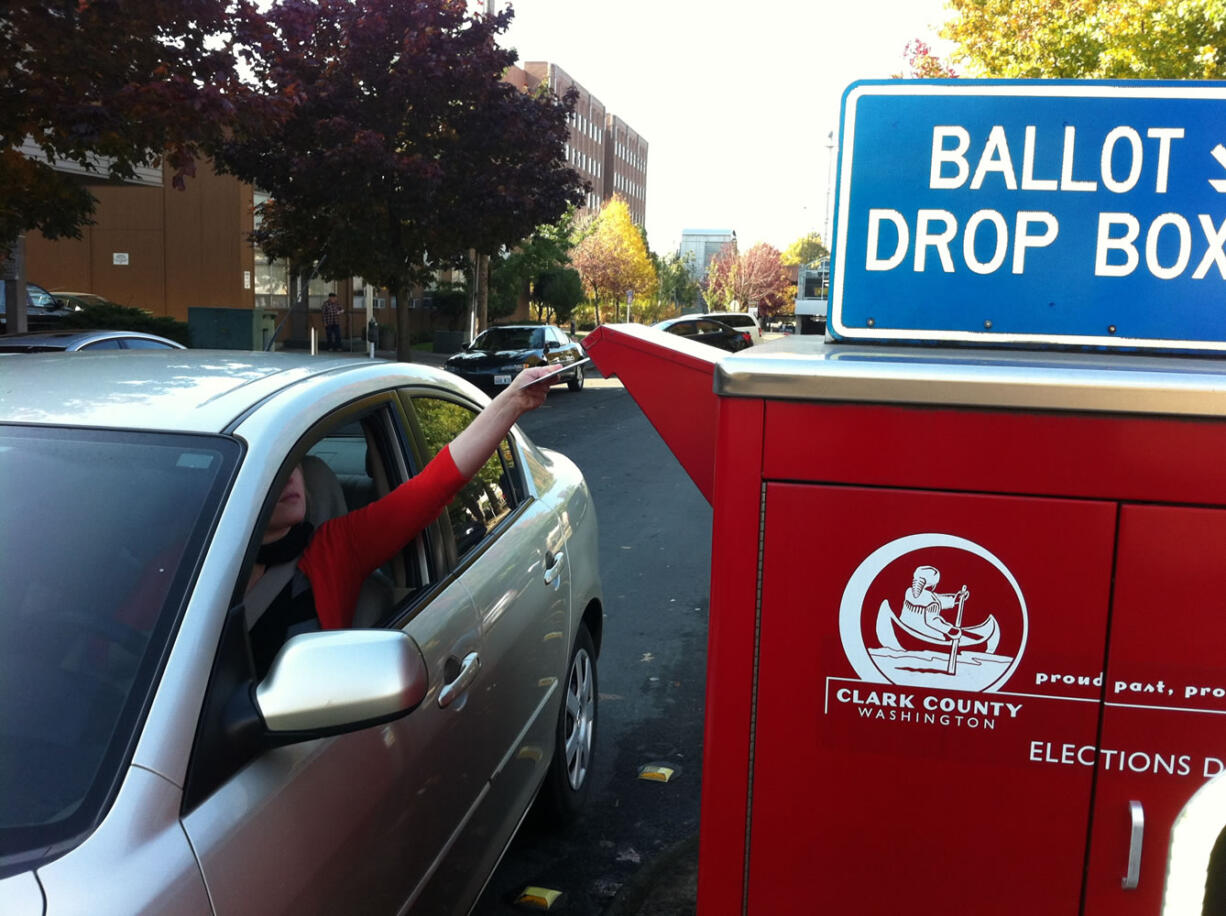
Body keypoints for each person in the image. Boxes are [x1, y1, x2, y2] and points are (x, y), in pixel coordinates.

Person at [245, 365, 554, 672]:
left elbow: (433, 486)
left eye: (291, 465)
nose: (288, 479)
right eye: (270, 472)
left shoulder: (335, 548)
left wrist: (513, 400)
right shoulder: (205, 564)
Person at [898, 565, 968, 640]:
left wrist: (955, 599)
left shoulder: (909, 592)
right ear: (933, 585)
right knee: (942, 636)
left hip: (905, 625)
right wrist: (950, 630)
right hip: (924, 633)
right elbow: (932, 621)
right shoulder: (932, 601)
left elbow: (936, 599)